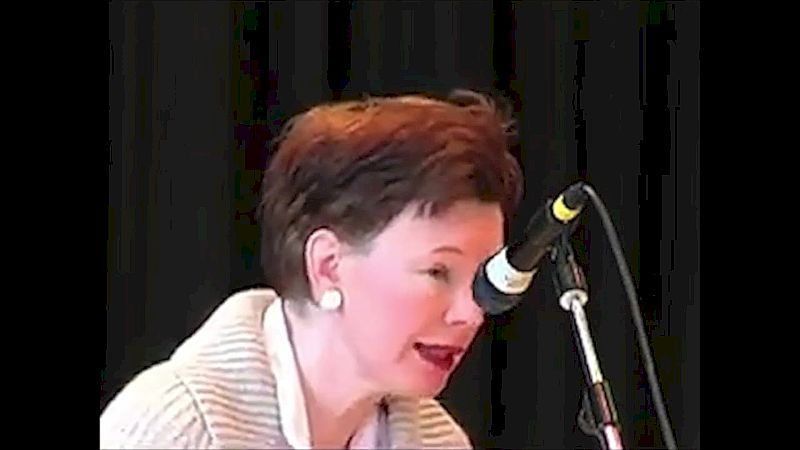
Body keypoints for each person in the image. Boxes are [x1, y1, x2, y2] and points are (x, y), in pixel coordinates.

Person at [100, 89, 524, 449]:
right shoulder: (176, 429)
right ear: (328, 266)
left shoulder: (439, 443)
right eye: (438, 272)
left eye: (481, 279)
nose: (472, 313)